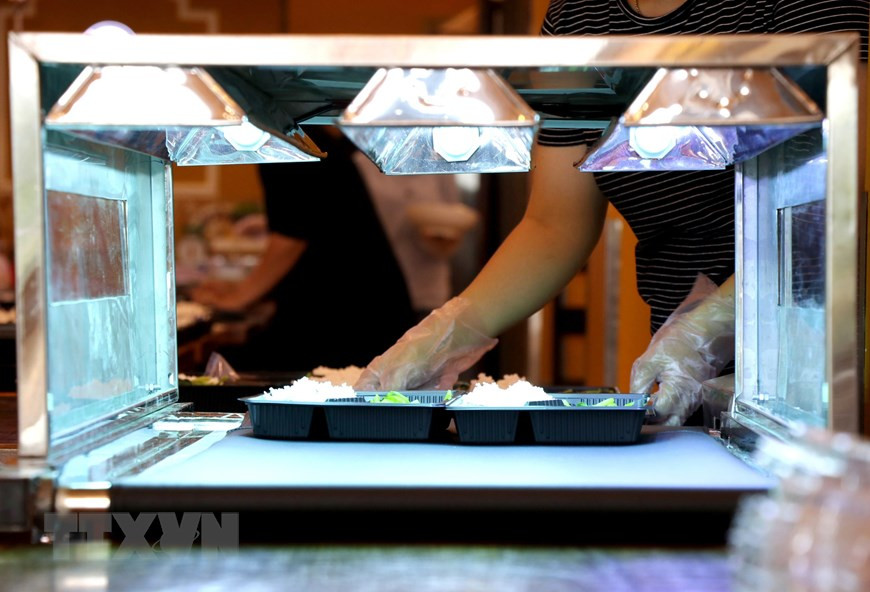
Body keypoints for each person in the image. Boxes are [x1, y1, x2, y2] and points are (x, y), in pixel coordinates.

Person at [354, 0, 869, 426]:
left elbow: (848, 197)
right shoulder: (580, 18)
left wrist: (712, 327)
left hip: (823, 369)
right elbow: (554, 224)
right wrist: (446, 335)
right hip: (681, 379)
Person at [191, 125, 417, 373]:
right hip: (355, 313)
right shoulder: (302, 134)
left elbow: (292, 236)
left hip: (351, 320)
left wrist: (238, 298)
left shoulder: (287, 140)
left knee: (218, 368)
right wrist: (246, 295)